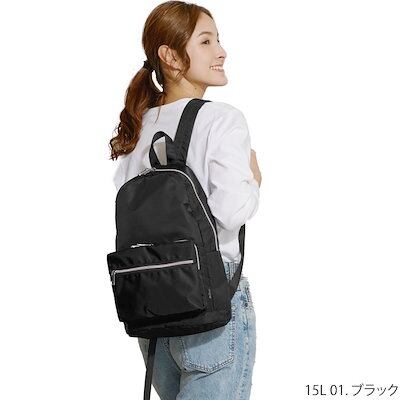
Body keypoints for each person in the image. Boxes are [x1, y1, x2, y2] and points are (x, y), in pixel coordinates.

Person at [109, 1, 262, 399]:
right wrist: (254, 179)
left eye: (218, 40)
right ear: (171, 56)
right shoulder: (221, 119)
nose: (221, 51)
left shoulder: (138, 127)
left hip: (153, 309)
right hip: (211, 303)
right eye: (206, 41)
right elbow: (231, 212)